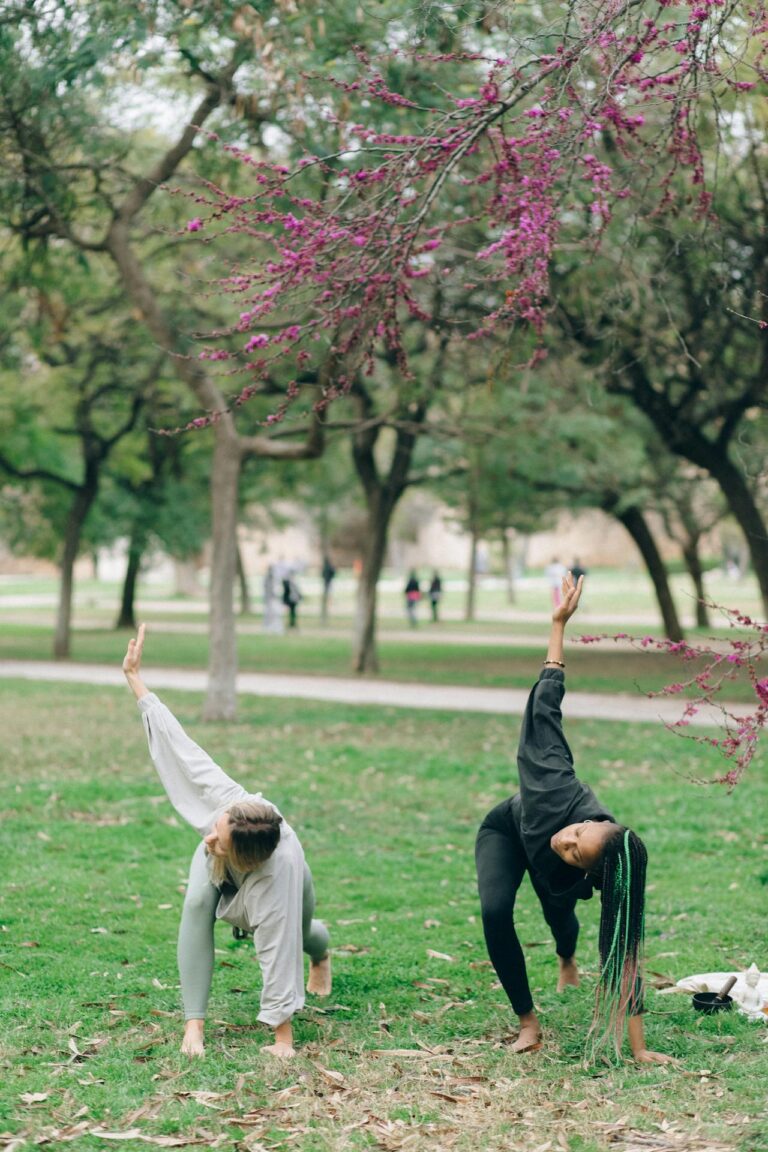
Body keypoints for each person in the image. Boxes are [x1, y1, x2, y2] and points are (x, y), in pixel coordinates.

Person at [475, 572, 672, 1064]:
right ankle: (527, 1022)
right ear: (596, 821)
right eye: (579, 834)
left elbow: (623, 952)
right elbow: (547, 707)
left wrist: (639, 1049)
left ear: (591, 872)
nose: (567, 840)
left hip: (556, 881)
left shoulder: (604, 868)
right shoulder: (556, 793)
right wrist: (558, 625)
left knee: (560, 917)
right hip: (507, 828)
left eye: (573, 851)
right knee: (496, 910)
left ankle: (566, 957)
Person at [122, 624, 331, 1059]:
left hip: (282, 894)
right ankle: (193, 1024)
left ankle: (323, 954)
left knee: (300, 933)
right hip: (231, 866)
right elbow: (182, 749)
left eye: (218, 841)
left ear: (246, 858)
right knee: (197, 904)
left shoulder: (279, 873)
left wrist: (282, 1039)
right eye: (216, 828)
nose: (208, 839)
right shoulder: (231, 805)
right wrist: (136, 679)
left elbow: (276, 951)